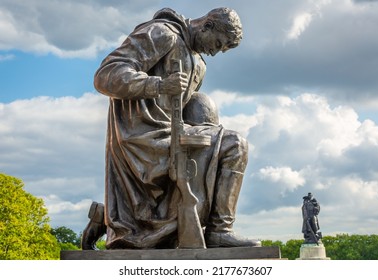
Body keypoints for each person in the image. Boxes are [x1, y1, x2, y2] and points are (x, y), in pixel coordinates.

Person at [82, 7, 260, 249]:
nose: (216, 52)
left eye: (223, 49)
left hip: (172, 134)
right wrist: (158, 85)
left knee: (222, 142)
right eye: (218, 43)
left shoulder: (199, 64)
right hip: (141, 140)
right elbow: (106, 75)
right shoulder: (161, 33)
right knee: (234, 144)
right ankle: (219, 230)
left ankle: (211, 229)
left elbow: (187, 107)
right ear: (207, 25)